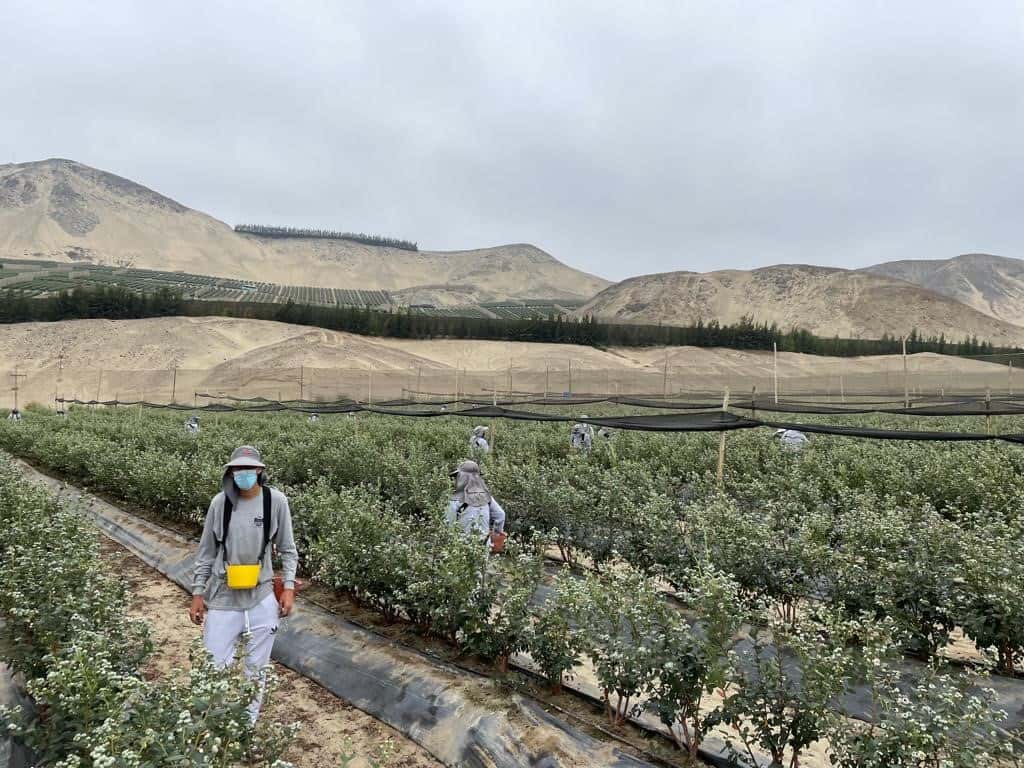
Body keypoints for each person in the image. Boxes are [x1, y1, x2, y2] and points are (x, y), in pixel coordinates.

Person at [189, 445, 298, 723]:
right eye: (238, 469)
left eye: (249, 469)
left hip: (261, 597)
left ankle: (245, 727)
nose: (243, 473)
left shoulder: (275, 502)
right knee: (214, 667)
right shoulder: (220, 504)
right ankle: (213, 726)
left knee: (256, 670)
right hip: (224, 597)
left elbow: (288, 548)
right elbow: (206, 552)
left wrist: (288, 588)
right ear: (231, 471)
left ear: (260, 471)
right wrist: (198, 593)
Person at [446, 459, 505, 549]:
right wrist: (495, 534)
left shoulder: (455, 499)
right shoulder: (487, 497)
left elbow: (448, 527)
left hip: (462, 547)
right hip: (484, 545)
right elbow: (500, 515)